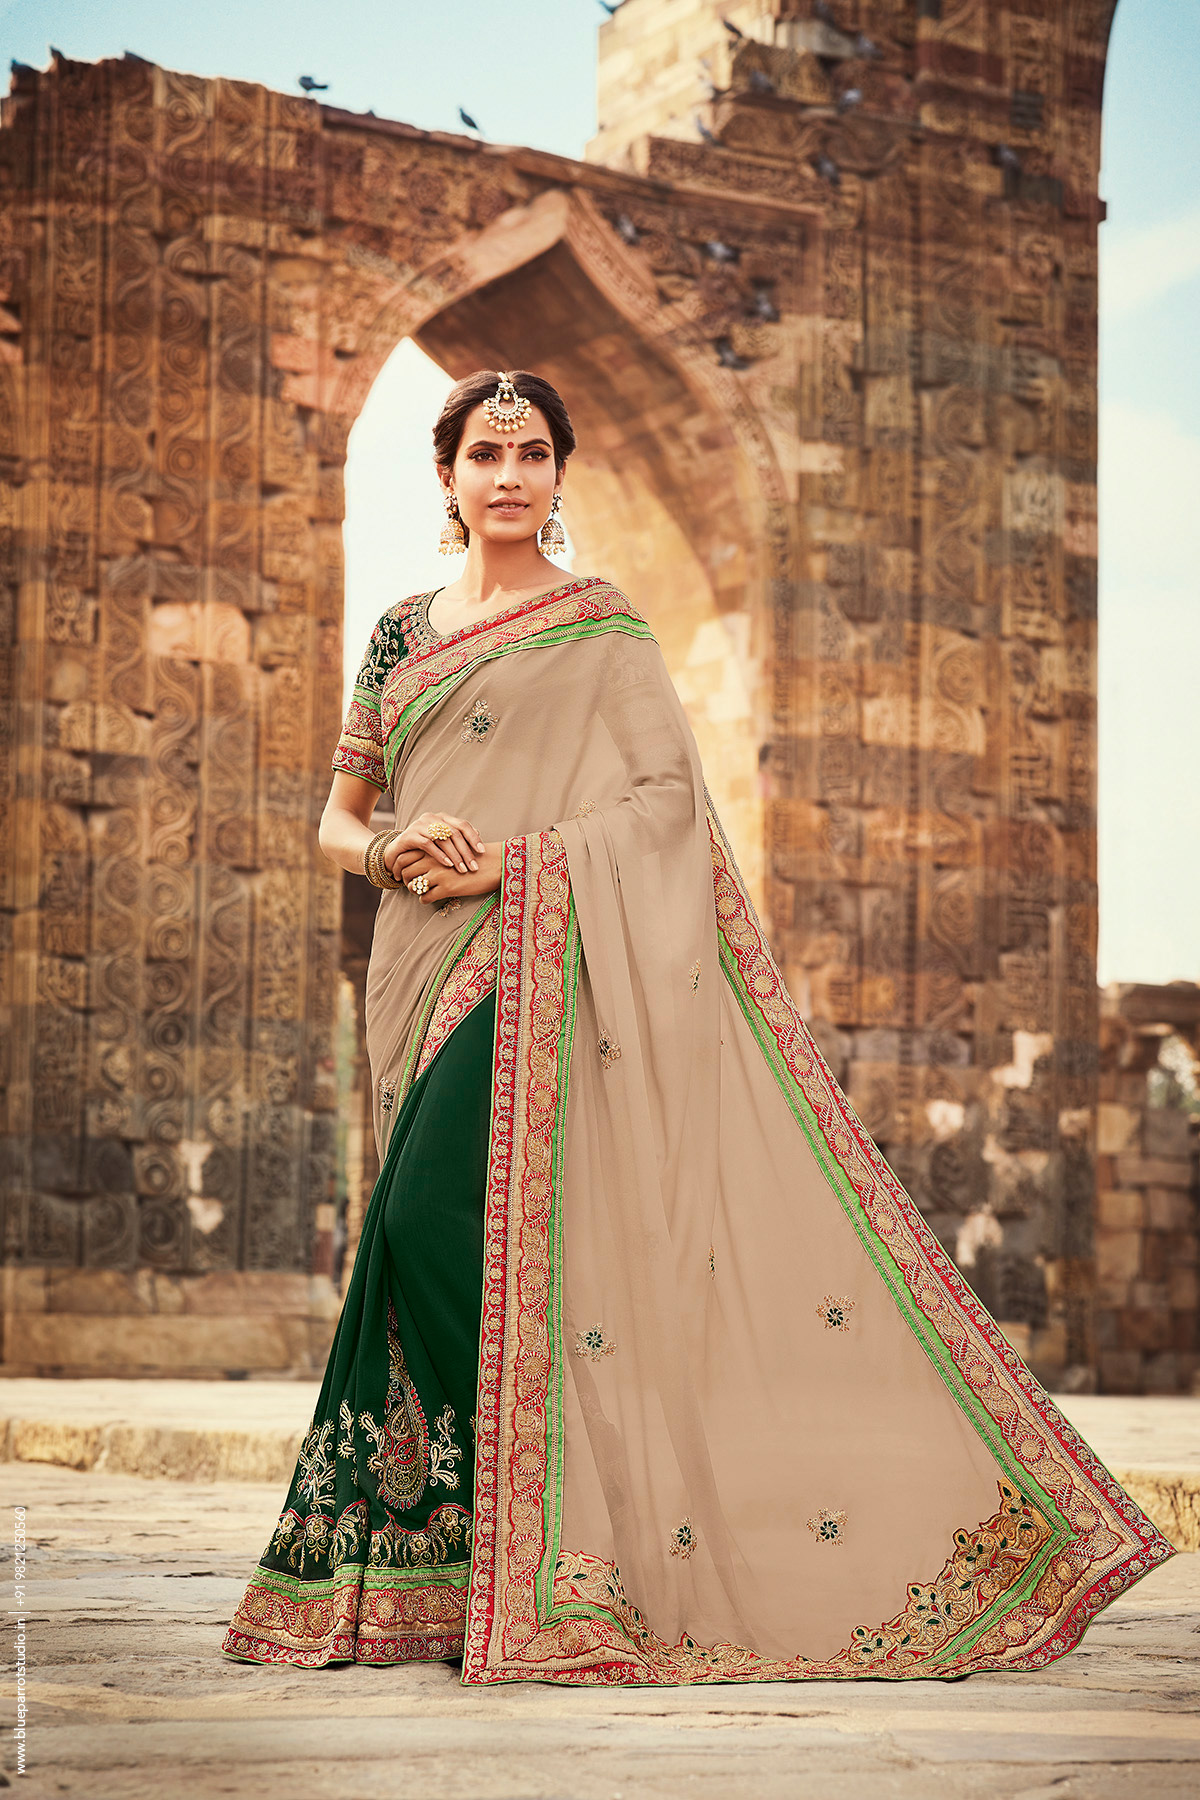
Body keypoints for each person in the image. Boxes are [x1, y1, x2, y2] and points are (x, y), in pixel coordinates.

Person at [222, 369, 1171, 1683]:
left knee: (435, 1224)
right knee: (421, 1238)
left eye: (533, 455)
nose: (509, 476)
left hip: (531, 956)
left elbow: (665, 803)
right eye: (486, 453)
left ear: (561, 475)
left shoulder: (603, 628)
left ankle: (567, 1558)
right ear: (445, 474)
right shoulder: (398, 636)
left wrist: (518, 865)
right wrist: (389, 850)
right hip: (416, 957)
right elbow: (337, 818)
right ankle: (466, 1565)